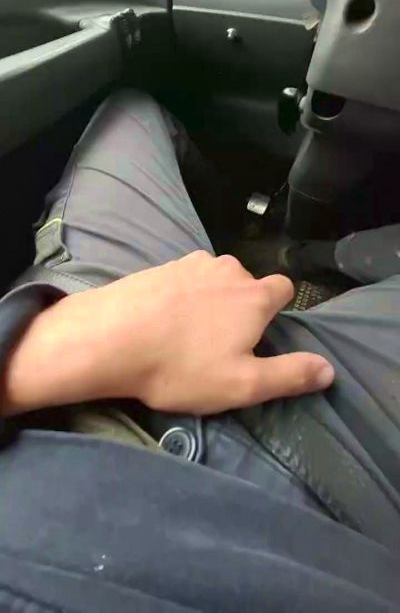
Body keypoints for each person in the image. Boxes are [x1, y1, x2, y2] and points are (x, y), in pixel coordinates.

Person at [0, 89, 399, 611]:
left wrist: (66, 345)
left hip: (62, 342)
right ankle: (296, 253)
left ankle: (249, 236)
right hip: (315, 505)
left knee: (133, 113)